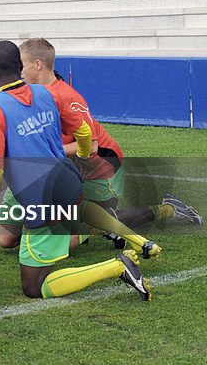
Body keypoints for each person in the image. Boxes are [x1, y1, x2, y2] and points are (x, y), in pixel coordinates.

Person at [0, 41, 157, 301]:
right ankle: (135, 240)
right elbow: (83, 131)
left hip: (41, 197)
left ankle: (117, 266)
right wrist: (82, 152)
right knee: (75, 218)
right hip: (69, 182)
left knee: (34, 287)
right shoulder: (46, 94)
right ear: (19, 65)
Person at [19, 38, 201, 239]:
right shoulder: (35, 95)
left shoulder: (67, 97)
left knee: (97, 224)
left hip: (103, 171)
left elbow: (92, 147)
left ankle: (168, 209)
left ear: (37, 64)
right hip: (75, 169)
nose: (19, 71)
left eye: (22, 65)